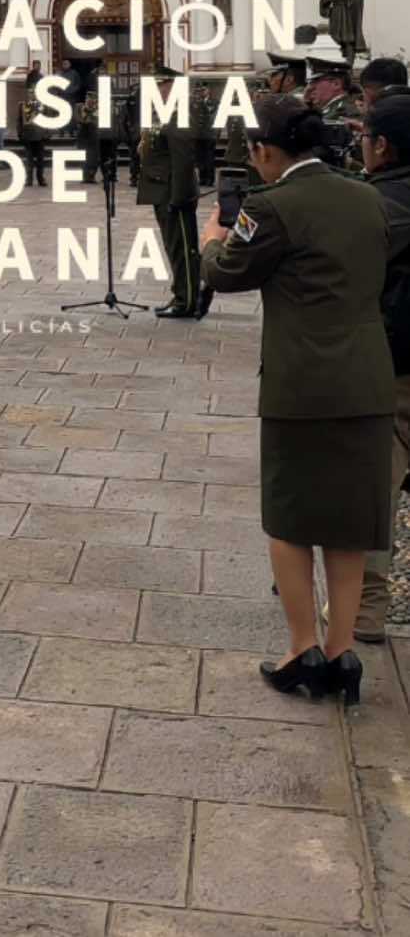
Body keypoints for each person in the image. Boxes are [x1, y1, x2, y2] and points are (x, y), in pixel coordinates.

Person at [200, 94, 395, 706]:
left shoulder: (271, 206)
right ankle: (343, 653)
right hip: (367, 377)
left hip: (301, 383)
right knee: (346, 524)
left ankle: (301, 646)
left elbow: (226, 273)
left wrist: (213, 236)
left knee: (290, 518)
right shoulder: (367, 195)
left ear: (262, 150)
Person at [354, 89, 410, 642]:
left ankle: (367, 610)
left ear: (383, 146)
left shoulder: (376, 204)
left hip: (395, 363)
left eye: (365, 136)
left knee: (378, 485)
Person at [136, 65, 202, 319]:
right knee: (173, 246)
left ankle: (187, 301)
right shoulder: (162, 113)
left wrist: (180, 197)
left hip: (174, 193)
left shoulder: (178, 114)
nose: (157, 90)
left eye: (161, 85)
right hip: (161, 191)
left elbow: (182, 160)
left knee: (183, 248)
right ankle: (181, 293)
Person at [17, 65, 47, 186]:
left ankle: (41, 178)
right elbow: (19, 121)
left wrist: (46, 134)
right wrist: (20, 134)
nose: (32, 95)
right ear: (28, 94)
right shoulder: (22, 105)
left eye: (34, 93)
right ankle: (29, 179)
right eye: (30, 93)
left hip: (40, 136)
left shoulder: (42, 106)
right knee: (29, 160)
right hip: (28, 136)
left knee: (40, 160)